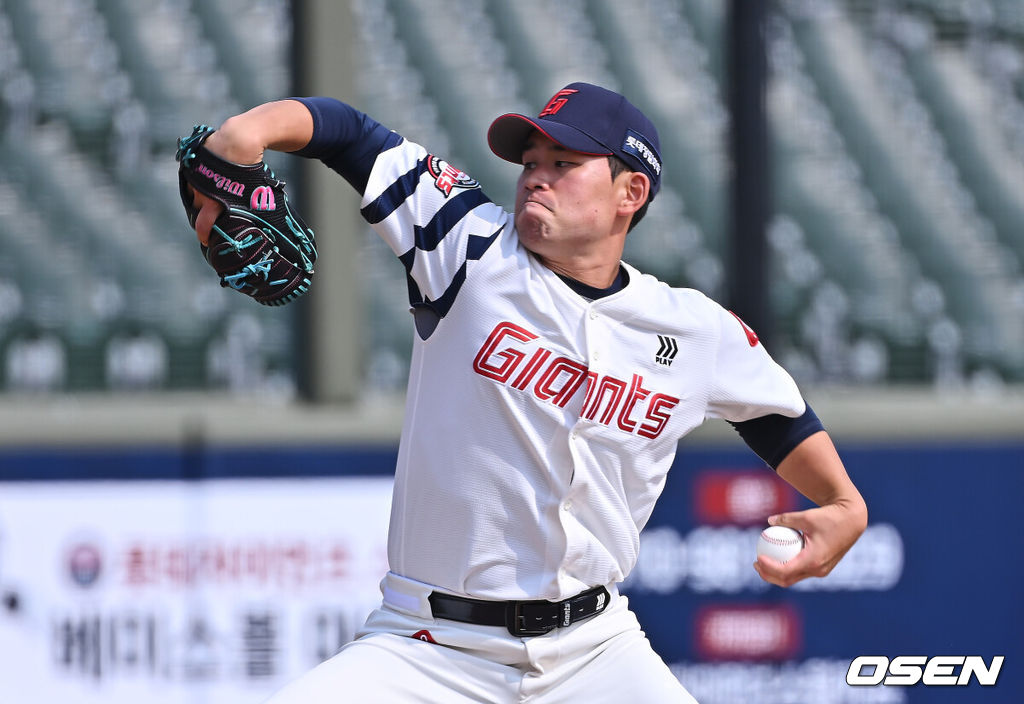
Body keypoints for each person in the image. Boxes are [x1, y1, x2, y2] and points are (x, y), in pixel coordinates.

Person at [186, 82, 868, 703]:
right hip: (430, 649)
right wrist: (248, 133)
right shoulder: (470, 246)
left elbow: (778, 418)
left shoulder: (692, 329)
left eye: (564, 163)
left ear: (630, 192)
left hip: (595, 650)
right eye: (531, 161)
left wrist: (845, 505)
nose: (536, 176)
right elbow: (350, 134)